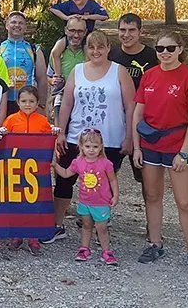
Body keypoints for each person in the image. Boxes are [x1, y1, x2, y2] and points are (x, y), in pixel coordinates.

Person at [132, 31, 188, 274]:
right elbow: (138, 113)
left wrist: (184, 152)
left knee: (184, 201)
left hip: (178, 146)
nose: (164, 53)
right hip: (151, 145)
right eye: (159, 49)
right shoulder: (149, 76)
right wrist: (136, 147)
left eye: (170, 48)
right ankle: (155, 243)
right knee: (152, 196)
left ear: (180, 49)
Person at [48, 30, 135, 244]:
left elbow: (131, 106)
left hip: (110, 139)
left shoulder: (119, 71)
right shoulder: (77, 71)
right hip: (78, 136)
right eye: (92, 47)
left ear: (108, 48)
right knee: (65, 180)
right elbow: (67, 103)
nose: (96, 51)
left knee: (102, 184)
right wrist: (61, 131)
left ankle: (100, 227)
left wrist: (130, 137)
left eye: (101, 47)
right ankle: (57, 224)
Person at [1, 85, 60, 255]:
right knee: (16, 202)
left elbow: (50, 137)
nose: (28, 104)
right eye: (24, 101)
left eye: (31, 101)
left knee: (34, 203)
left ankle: (33, 237)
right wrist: (2, 133)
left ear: (37, 103)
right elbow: (1, 139)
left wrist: (53, 131)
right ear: (18, 102)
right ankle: (16, 235)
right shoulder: (11, 120)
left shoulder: (42, 121)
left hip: (35, 171)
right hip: (16, 168)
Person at [108, 13, 159, 196]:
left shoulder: (153, 57)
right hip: (115, 121)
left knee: (146, 176)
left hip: (144, 122)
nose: (126, 34)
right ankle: (99, 217)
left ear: (140, 32)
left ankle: (151, 220)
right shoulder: (111, 54)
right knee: (106, 172)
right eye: (122, 30)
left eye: (131, 30)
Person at [52, 128, 119, 266]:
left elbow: (113, 180)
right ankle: (84, 248)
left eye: (95, 146)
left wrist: (116, 195)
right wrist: (54, 165)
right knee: (86, 225)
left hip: (101, 202)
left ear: (101, 147)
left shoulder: (106, 163)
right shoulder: (78, 162)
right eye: (88, 146)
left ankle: (106, 251)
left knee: (102, 227)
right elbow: (65, 174)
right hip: (85, 201)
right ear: (81, 146)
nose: (91, 150)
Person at [0, 11, 47, 114]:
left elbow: (42, 78)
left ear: (25, 27)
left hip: (27, 102)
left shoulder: (34, 49)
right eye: (13, 22)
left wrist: (42, 104)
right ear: (7, 25)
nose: (17, 25)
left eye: (21, 23)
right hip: (3, 101)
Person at [47, 17, 87, 120]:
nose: (76, 35)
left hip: (83, 99)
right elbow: (48, 76)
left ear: (85, 32)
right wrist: (53, 80)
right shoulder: (58, 52)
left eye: (80, 31)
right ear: (66, 30)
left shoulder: (90, 52)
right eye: (72, 31)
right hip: (61, 97)